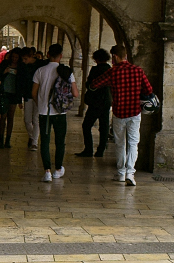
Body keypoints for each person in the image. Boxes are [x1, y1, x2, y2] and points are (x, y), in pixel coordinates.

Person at [107, 44, 153, 186]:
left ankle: (121, 173)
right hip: (134, 112)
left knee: (120, 144)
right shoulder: (138, 70)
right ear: (125, 55)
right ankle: (130, 173)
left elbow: (96, 83)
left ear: (114, 57)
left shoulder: (113, 72)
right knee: (133, 143)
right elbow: (149, 89)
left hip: (119, 113)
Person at [30, 43, 77, 181]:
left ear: (48, 54)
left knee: (44, 141)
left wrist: (41, 104)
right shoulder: (66, 71)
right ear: (61, 56)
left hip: (45, 112)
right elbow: (75, 93)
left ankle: (47, 172)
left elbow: (33, 92)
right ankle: (58, 169)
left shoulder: (40, 71)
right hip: (60, 113)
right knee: (60, 141)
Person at [76, 49, 113, 157]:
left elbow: (89, 84)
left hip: (96, 102)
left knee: (86, 125)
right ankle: (101, 150)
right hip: (106, 101)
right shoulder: (110, 69)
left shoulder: (95, 69)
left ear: (96, 59)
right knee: (104, 126)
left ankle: (88, 149)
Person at [18, 48, 43, 150]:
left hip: (38, 95)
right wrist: (20, 98)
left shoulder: (41, 65)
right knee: (27, 119)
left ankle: (34, 142)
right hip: (28, 95)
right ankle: (32, 137)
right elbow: (21, 82)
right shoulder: (23, 66)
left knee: (36, 119)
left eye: (25, 59)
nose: (24, 61)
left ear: (31, 56)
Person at [0, 51, 20, 148]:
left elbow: (22, 81)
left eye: (16, 57)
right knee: (3, 116)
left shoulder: (20, 67)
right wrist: (4, 72)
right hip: (4, 93)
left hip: (14, 94)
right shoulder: (5, 64)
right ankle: (1, 139)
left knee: (11, 117)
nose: (14, 59)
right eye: (13, 57)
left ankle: (8, 140)